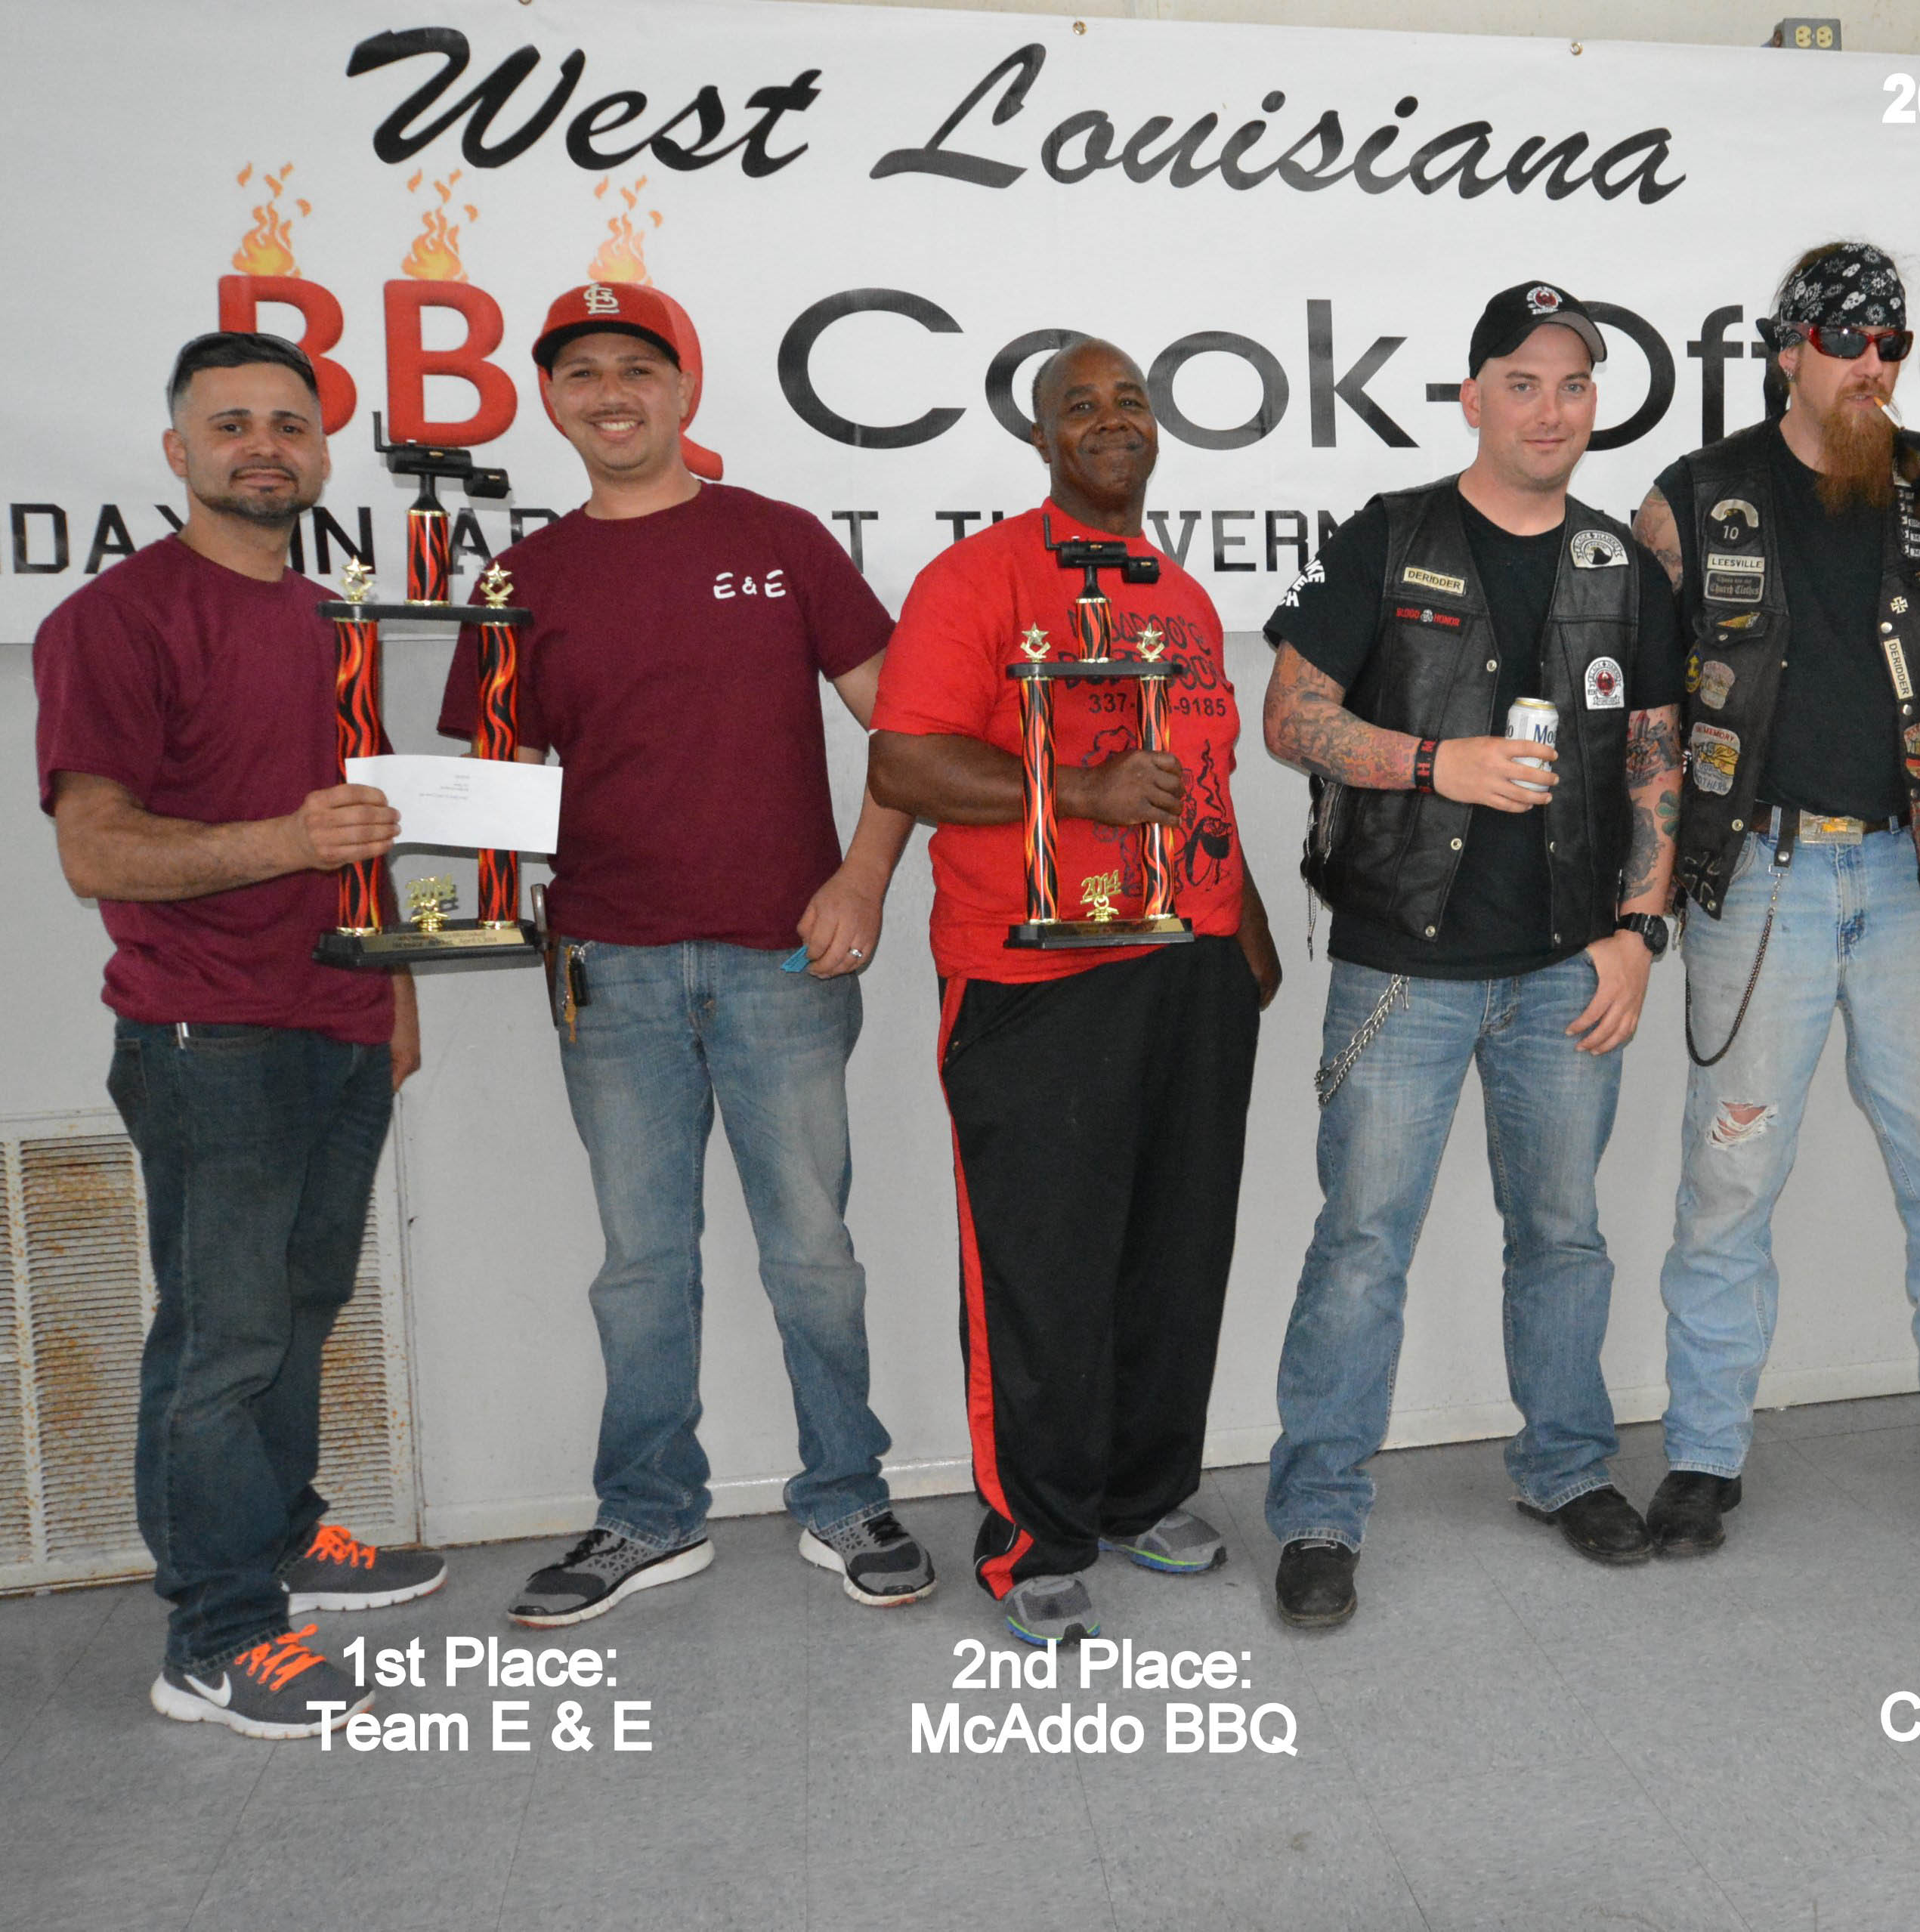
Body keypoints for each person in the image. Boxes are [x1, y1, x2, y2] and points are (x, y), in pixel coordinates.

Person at [437, 283, 933, 1627]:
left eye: (637, 368)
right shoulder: (521, 580)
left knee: (813, 1251)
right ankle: (649, 1512)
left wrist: (864, 876)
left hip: (786, 962)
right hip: (612, 971)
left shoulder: (779, 541)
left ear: (683, 389)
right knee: (640, 1262)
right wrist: (458, 889)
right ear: (552, 399)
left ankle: (846, 1493)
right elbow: (496, 783)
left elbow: (907, 730)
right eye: (582, 372)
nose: (612, 393)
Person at [1628, 242, 1920, 1560]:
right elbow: (1643, 711)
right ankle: (1703, 1455)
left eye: (1891, 342)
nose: (1874, 363)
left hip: (1908, 872)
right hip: (1756, 873)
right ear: (1789, 349)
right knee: (1729, 1176)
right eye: (1846, 340)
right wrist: (1643, 892)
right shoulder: (1694, 496)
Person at [36, 331, 446, 1739]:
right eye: (230, 424)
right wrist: (284, 840)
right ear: (178, 452)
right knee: (224, 1341)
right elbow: (94, 849)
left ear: (321, 453)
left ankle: (277, 1537)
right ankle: (215, 1638)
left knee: (302, 1308)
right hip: (207, 1032)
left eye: (288, 422)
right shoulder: (116, 619)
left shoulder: (329, 617)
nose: (262, 445)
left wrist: (394, 985)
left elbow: (361, 828)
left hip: (338, 1016)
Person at [1258, 283, 1685, 1628]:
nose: (1550, 410)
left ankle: (1567, 1469)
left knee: (1563, 1237)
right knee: (1361, 1246)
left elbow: (1661, 759)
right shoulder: (1390, 536)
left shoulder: (1621, 564)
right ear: (1472, 397)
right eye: (1523, 382)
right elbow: (1289, 717)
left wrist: (1642, 931)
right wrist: (1434, 761)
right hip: (1401, 967)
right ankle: (1319, 1510)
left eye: (1574, 386)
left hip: (1569, 970)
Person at [867, 338, 1284, 1647]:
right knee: (1041, 1269)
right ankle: (1031, 1537)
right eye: (1082, 405)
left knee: (1175, 1253)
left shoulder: (1181, 593)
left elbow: (1203, 777)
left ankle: (1141, 1492)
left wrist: (1247, 928)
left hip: (1190, 965)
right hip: (1034, 976)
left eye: (1132, 403)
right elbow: (905, 764)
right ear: (1043, 436)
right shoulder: (975, 577)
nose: (1112, 422)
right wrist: (1083, 791)